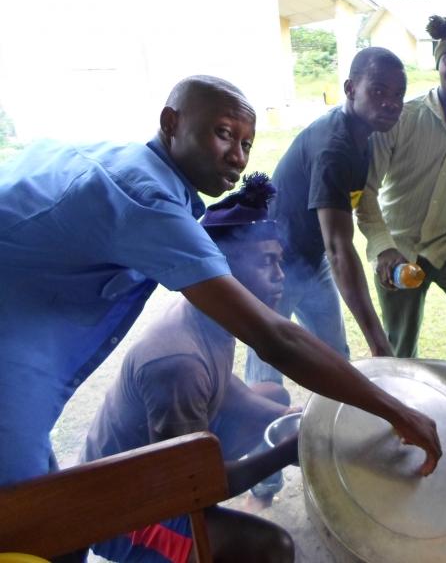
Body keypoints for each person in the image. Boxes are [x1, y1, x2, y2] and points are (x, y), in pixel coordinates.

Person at [0, 74, 441, 493]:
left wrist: (305, 421)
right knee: (29, 511)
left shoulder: (114, 162)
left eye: (247, 144)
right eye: (224, 134)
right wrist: (396, 411)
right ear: (171, 123)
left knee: (42, 498)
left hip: (24, 349)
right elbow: (275, 338)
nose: (239, 157)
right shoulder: (147, 201)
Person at [80, 173, 296, 562]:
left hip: (162, 471)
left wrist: (288, 418)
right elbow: (191, 489)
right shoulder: (178, 363)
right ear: (226, 269)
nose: (280, 275)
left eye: (280, 261)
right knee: (272, 548)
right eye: (267, 262)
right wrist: (285, 452)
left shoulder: (212, 314)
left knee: (274, 398)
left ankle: (208, 524)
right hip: (120, 511)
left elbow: (224, 388)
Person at [244, 47, 404, 386]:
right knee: (267, 370)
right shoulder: (334, 148)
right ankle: (259, 422)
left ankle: (333, 418)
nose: (391, 102)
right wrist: (379, 343)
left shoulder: (364, 136)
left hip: (311, 261)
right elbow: (339, 249)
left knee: (334, 358)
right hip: (272, 263)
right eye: (378, 91)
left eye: (398, 94)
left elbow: (351, 214)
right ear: (350, 89)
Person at [355, 15, 446, 358]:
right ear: (438, 64)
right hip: (399, 248)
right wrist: (383, 248)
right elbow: (366, 191)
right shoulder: (402, 118)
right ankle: (402, 393)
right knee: (399, 346)